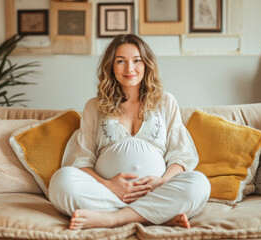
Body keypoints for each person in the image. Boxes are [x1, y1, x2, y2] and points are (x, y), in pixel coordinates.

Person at [48, 34, 211, 230]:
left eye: (136, 60)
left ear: (146, 64)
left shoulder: (166, 102)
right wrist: (109, 186)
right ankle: (153, 215)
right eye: (120, 61)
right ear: (111, 67)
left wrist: (161, 182)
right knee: (61, 181)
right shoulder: (95, 106)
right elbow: (82, 159)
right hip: (107, 192)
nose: (129, 69)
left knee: (199, 184)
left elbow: (181, 156)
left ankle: (113, 219)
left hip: (156, 192)